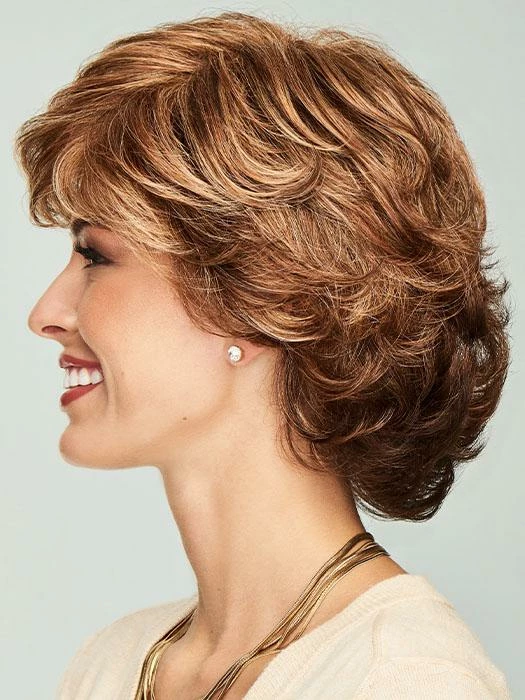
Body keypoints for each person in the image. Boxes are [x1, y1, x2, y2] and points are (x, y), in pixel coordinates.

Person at [15, 11, 512, 700]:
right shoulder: (112, 664)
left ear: (259, 293)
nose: (46, 314)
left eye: (95, 256)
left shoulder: (401, 680)